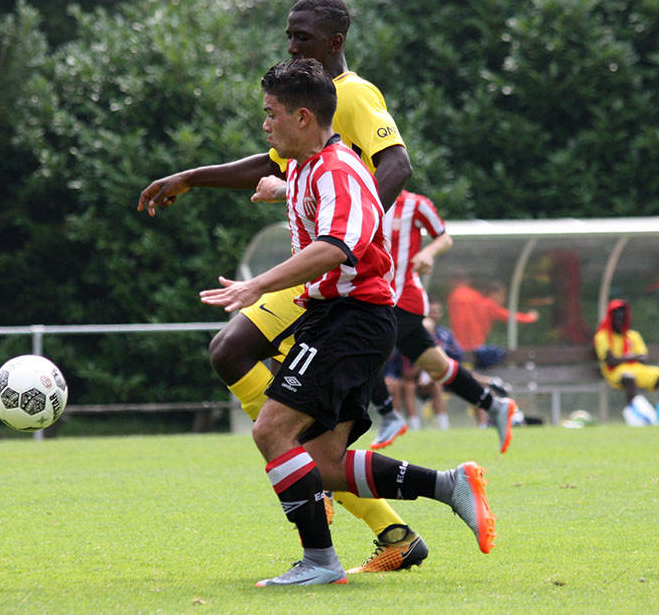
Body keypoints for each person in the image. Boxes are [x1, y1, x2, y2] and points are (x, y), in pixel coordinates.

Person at [137, 0, 424, 573]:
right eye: (289, 35)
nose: (292, 46)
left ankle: (351, 514)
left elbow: (396, 165)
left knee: (244, 369)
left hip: (339, 275)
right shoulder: (304, 103)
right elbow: (273, 164)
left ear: (334, 42)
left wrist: (351, 238)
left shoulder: (355, 94)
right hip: (321, 272)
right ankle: (381, 521)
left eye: (303, 38)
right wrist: (192, 177)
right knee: (239, 363)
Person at [200, 59, 497, 586]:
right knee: (327, 464)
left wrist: (257, 285)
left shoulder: (338, 168)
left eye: (271, 114)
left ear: (304, 116)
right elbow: (327, 205)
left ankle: (319, 562)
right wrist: (282, 192)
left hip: (349, 320)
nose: (265, 125)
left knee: (272, 430)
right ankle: (450, 485)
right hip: (346, 319)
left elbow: (335, 246)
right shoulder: (312, 168)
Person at [361, 189, 517, 453]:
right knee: (438, 366)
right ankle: (495, 406)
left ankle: (388, 415)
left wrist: (429, 253)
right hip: (376, 300)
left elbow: (443, 237)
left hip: (404, 300)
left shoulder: (414, 204)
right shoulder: (360, 197)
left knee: (363, 352)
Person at [593, 299, 659, 425]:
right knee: (629, 378)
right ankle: (635, 418)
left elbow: (643, 358)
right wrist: (630, 357)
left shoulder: (632, 336)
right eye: (617, 319)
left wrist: (629, 358)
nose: (620, 322)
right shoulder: (603, 336)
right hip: (616, 373)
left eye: (622, 319)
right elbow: (610, 361)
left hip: (638, 369)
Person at [447, 276, 539, 354]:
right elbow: (508, 316)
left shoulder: (466, 297)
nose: (504, 299)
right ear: (495, 293)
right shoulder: (487, 305)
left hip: (459, 346)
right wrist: (529, 317)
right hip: (472, 347)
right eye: (503, 295)